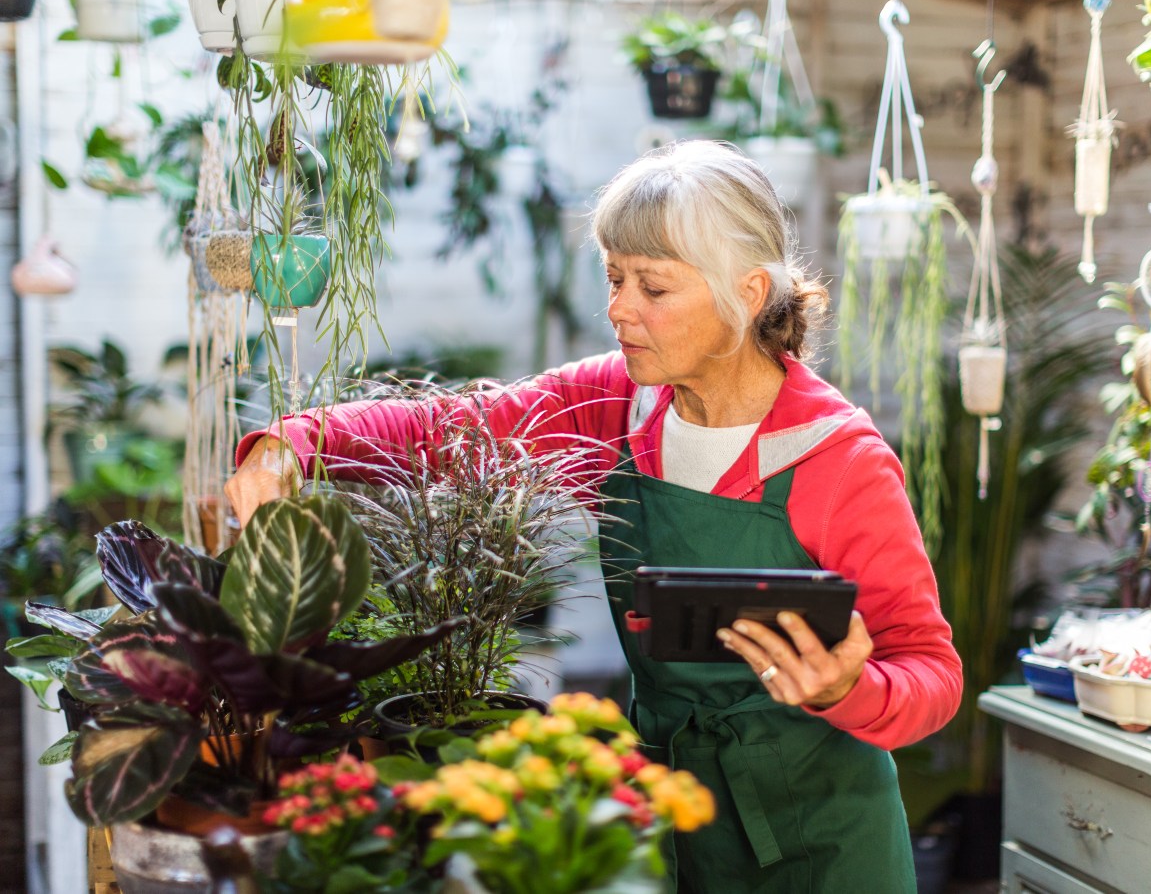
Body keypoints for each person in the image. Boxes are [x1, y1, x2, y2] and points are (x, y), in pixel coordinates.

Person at [225, 139, 963, 894]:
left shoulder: (838, 459)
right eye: (614, 278)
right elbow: (454, 427)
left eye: (654, 288)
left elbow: (931, 673)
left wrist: (847, 690)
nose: (618, 310)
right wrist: (294, 443)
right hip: (670, 813)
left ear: (745, 292)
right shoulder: (617, 404)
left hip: (822, 840)